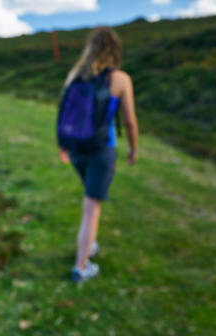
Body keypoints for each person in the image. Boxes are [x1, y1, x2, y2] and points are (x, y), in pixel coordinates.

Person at [58, 27, 138, 282]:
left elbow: (65, 112)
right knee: (92, 207)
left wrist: (63, 145)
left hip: (77, 149)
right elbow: (130, 121)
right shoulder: (120, 79)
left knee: (89, 199)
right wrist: (133, 148)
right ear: (114, 50)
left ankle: (88, 244)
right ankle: (81, 267)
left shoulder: (74, 76)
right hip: (102, 150)